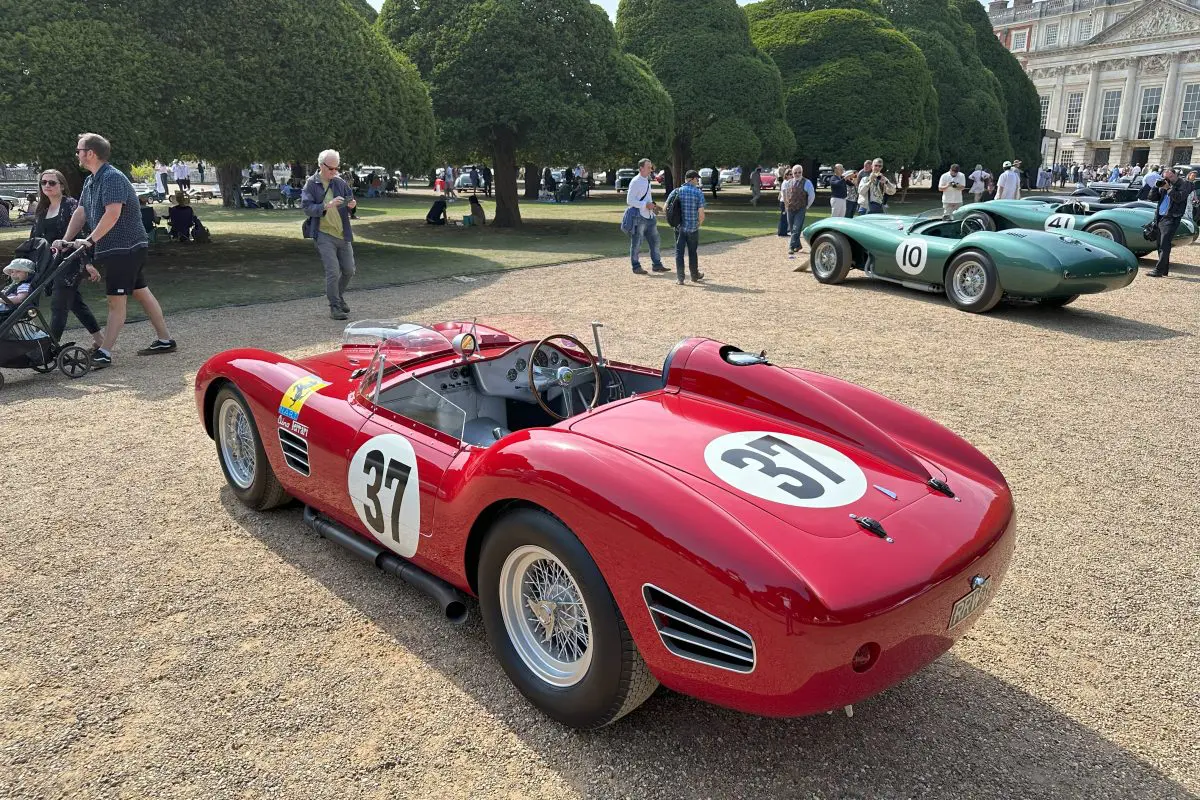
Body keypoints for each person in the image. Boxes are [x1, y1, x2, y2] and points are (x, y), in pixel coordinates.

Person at [54, 133, 176, 367]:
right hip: (121, 248)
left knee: (115, 301)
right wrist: (65, 240)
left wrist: (89, 240)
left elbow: (113, 213)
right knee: (140, 291)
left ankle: (105, 352)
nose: (77, 155)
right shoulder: (91, 180)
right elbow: (81, 212)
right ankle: (165, 339)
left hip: (125, 247)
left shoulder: (111, 178)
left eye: (79, 150)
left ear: (90, 153)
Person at [30, 170, 104, 347]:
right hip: (51, 265)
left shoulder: (71, 205)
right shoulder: (42, 211)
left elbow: (83, 234)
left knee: (59, 304)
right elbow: (35, 241)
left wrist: (88, 263)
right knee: (75, 302)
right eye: (44, 182)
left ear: (62, 186)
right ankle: (101, 340)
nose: (47, 185)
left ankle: (49, 348)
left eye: (52, 183)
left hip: (72, 261)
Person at [300, 149, 357, 320]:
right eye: (331, 169)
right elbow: (307, 208)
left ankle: (338, 298)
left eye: (336, 168)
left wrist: (352, 205)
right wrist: (326, 205)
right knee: (332, 271)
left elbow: (349, 201)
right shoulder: (311, 184)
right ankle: (335, 306)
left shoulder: (339, 182)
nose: (334, 172)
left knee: (349, 270)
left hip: (342, 233)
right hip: (323, 234)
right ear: (321, 165)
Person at [1145, 168, 1193, 278]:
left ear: (1176, 175)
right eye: (1166, 177)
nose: (1168, 179)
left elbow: (1179, 198)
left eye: (1170, 177)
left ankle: (1158, 270)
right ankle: (1164, 270)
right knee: (1159, 244)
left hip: (1172, 218)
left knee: (1164, 244)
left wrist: (1168, 188)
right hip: (1160, 217)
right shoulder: (1164, 184)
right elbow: (1152, 198)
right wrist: (1156, 186)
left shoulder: (1184, 184)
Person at [626, 158, 666, 275]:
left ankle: (657, 265)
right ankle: (636, 266)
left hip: (649, 216)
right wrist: (645, 205)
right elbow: (629, 200)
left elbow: (647, 198)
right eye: (648, 167)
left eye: (651, 167)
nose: (651, 169)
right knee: (637, 243)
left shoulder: (647, 180)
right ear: (641, 168)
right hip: (639, 217)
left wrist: (653, 206)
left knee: (655, 241)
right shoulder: (635, 181)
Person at [666, 169, 706, 285]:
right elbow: (702, 215)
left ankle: (680, 278)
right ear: (691, 179)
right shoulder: (698, 193)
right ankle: (694, 276)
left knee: (679, 253)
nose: (697, 181)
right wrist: (699, 223)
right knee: (693, 252)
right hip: (693, 227)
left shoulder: (676, 191)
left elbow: (665, 208)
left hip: (679, 228)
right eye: (696, 179)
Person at [782, 164, 814, 263]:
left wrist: (807, 206)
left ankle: (791, 247)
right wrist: (786, 205)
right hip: (790, 208)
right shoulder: (789, 182)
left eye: (799, 172)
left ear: (802, 172)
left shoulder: (807, 182)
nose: (797, 174)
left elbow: (812, 195)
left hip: (801, 208)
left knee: (796, 228)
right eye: (795, 172)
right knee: (792, 229)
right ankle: (798, 245)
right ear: (792, 173)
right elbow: (786, 194)